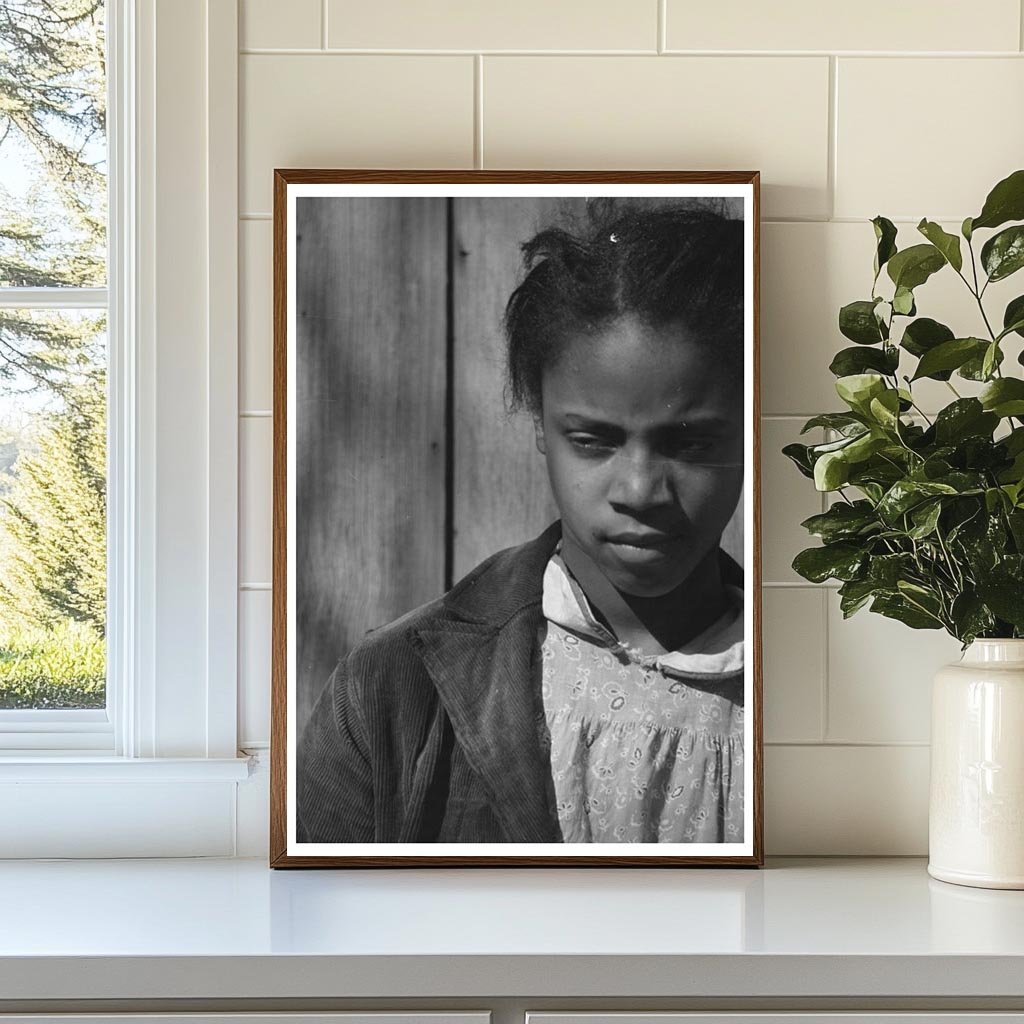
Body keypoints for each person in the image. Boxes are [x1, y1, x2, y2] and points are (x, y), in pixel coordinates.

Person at [297, 199, 746, 844]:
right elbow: (317, 932)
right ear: (542, 424)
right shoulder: (389, 689)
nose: (642, 490)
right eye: (593, 439)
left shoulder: (805, 691)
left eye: (691, 444)